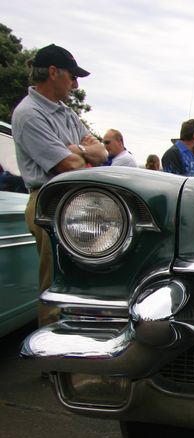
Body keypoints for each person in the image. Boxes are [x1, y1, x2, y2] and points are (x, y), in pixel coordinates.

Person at [11, 44, 107, 326]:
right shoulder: (29, 114)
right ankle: (55, 363)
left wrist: (74, 148)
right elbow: (69, 165)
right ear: (53, 72)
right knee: (56, 282)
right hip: (48, 201)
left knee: (82, 280)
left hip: (75, 201)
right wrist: (83, 152)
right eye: (72, 76)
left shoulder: (65, 112)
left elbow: (102, 153)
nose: (75, 84)